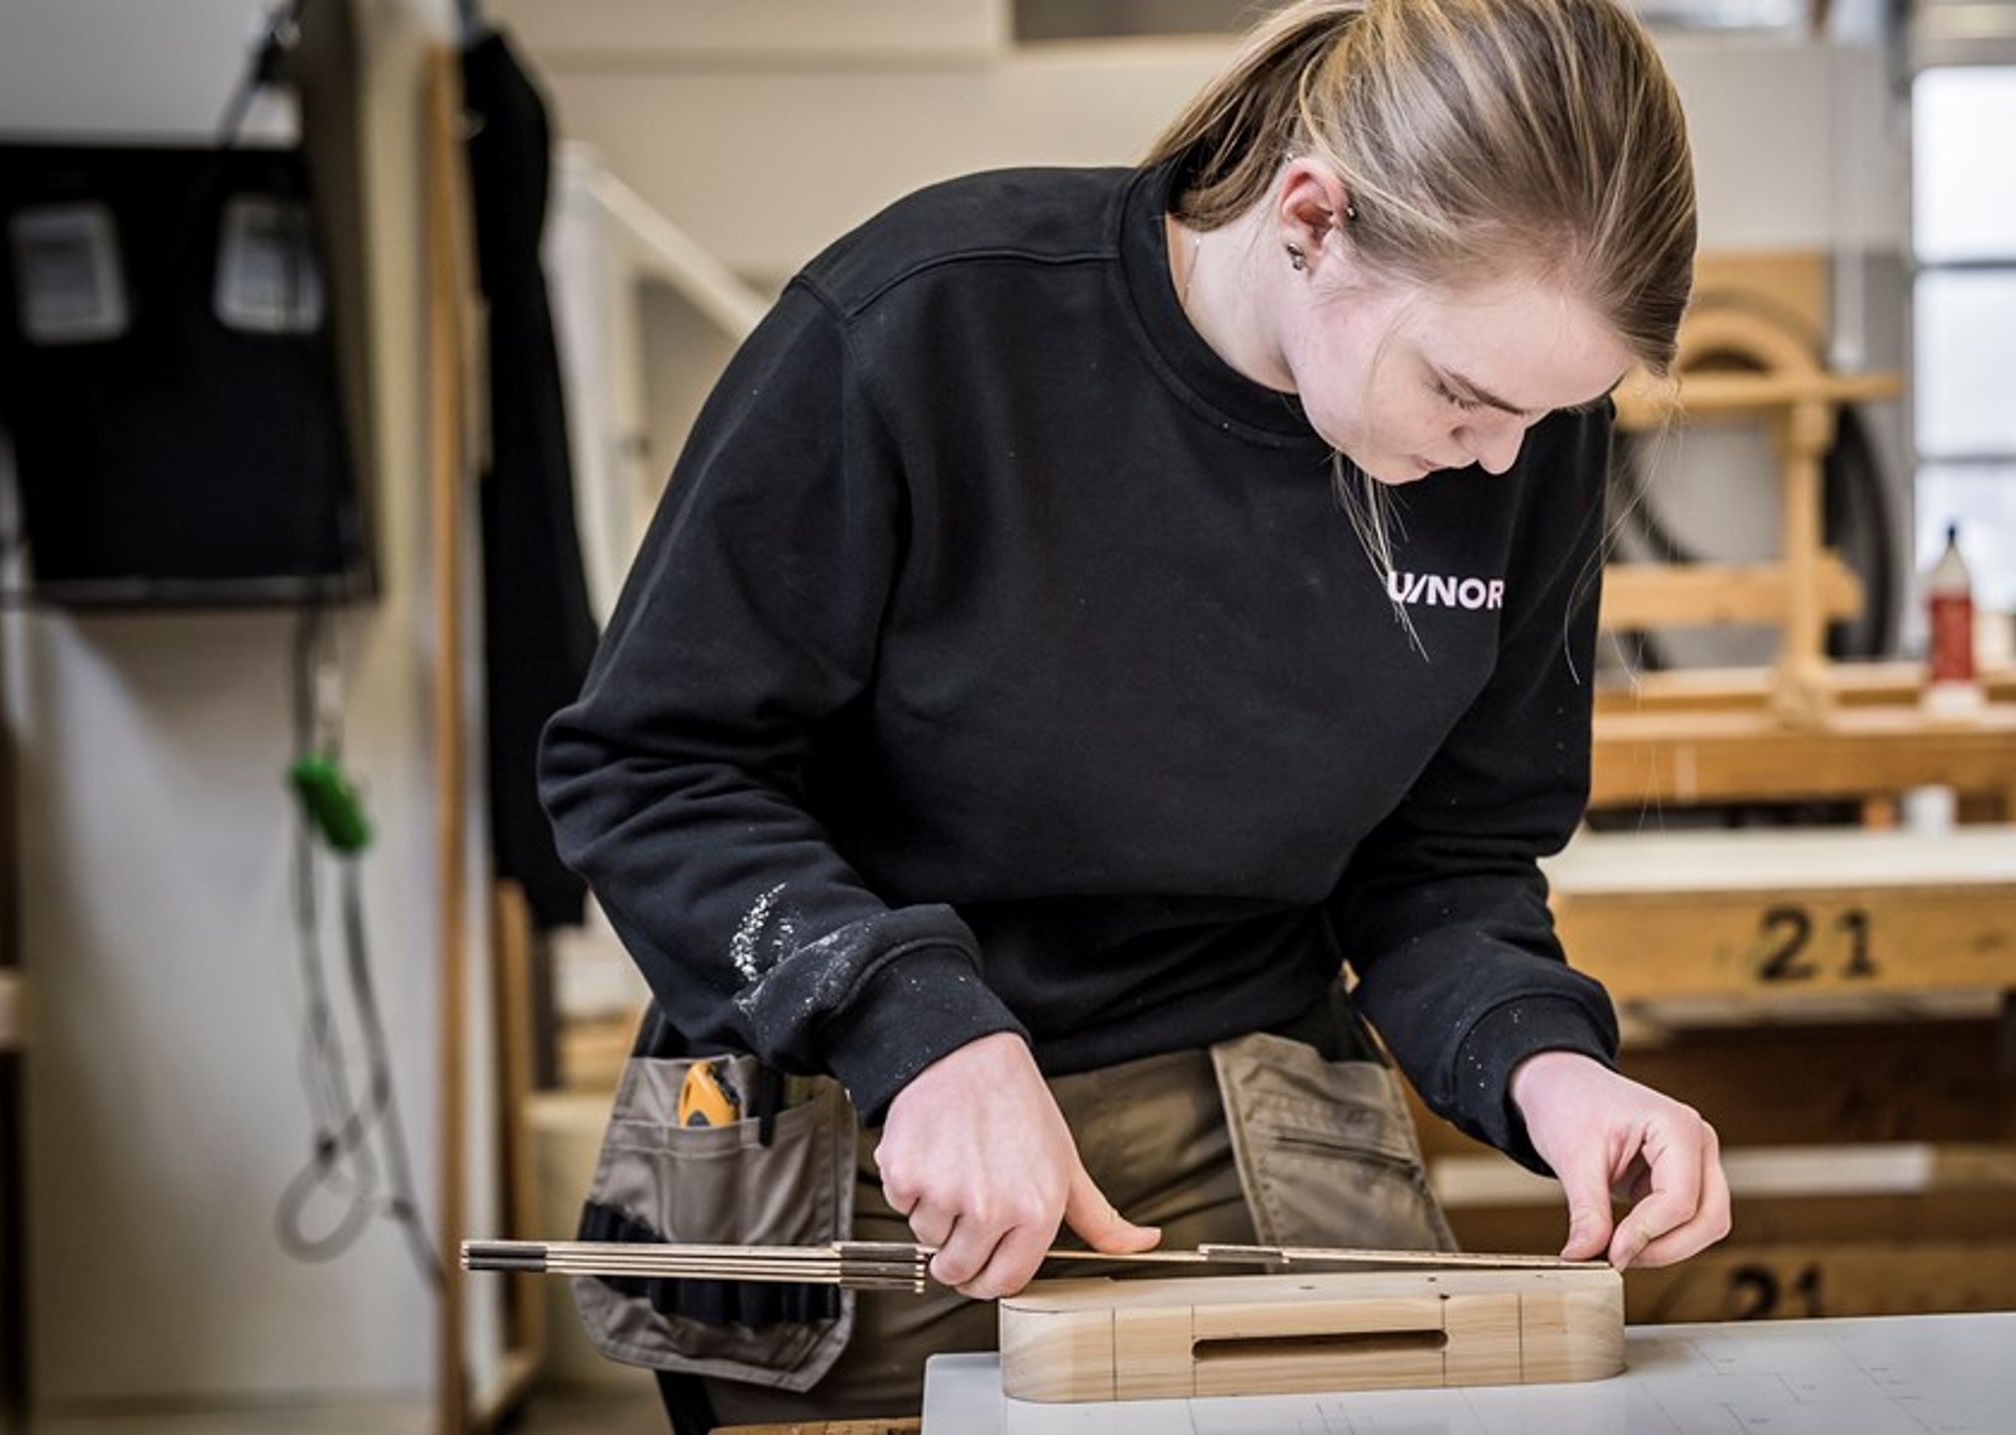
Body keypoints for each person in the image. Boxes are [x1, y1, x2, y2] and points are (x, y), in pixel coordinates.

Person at [537, 0, 1728, 1426]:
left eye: (1553, 412)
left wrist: (1546, 1062)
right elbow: (647, 770)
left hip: (1244, 1098)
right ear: (1309, 220)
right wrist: (913, 1028)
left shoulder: (1522, 430)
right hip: (851, 1104)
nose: (1502, 457)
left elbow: (1445, 864)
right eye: (1466, 395)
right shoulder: (925, 326)